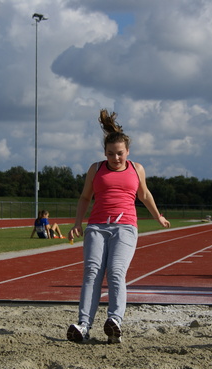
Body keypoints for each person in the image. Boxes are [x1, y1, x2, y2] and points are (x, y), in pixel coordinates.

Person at [67, 109, 171, 344]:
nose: (116, 158)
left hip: (125, 227)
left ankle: (114, 322)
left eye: (120, 154)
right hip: (96, 227)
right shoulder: (95, 169)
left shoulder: (137, 169)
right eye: (111, 154)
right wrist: (77, 223)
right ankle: (83, 325)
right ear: (105, 153)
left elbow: (144, 195)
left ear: (128, 152)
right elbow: (85, 198)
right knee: (92, 273)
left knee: (115, 272)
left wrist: (158, 217)